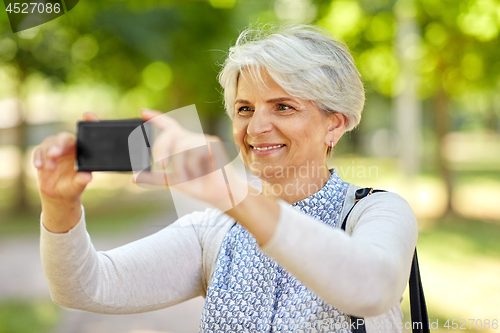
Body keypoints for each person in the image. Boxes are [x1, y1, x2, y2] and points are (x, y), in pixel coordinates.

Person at [34, 24, 417, 333]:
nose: (256, 127)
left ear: (335, 124)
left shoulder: (376, 211)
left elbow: (372, 288)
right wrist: (59, 204)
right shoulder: (213, 232)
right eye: (245, 108)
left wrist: (229, 191)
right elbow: (84, 287)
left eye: (283, 106)